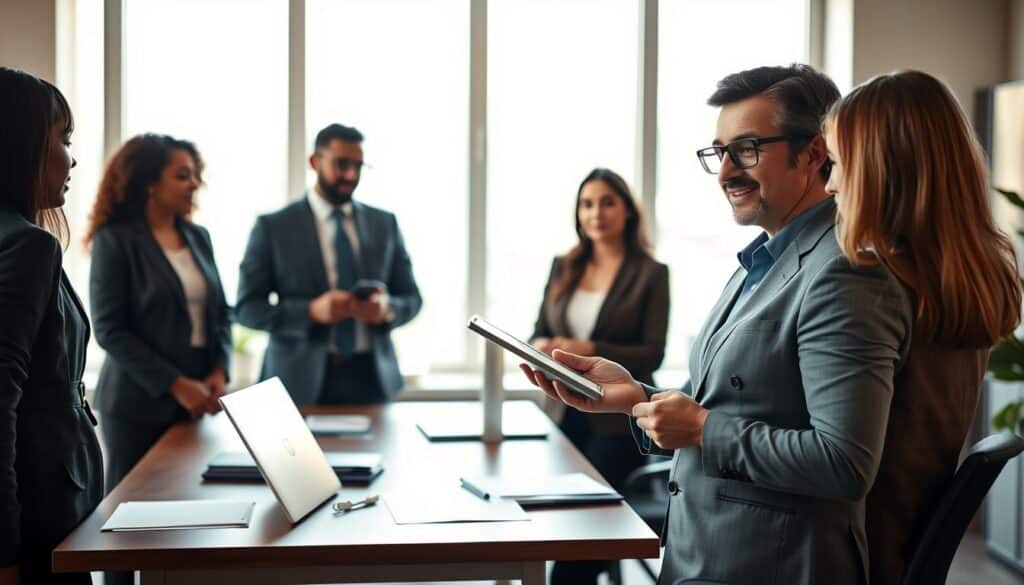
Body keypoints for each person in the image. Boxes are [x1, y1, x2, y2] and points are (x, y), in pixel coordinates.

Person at [522, 64, 912, 585]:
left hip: (768, 566)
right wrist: (633, 396)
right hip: (705, 555)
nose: (726, 171)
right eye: (719, 152)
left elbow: (844, 463)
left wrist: (705, 430)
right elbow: (725, 407)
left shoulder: (844, 274)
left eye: (747, 149)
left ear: (814, 153)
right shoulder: (758, 264)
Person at [824, 71, 1022, 585]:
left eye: (840, 164)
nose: (830, 183)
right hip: (898, 549)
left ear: (882, 170)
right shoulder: (969, 278)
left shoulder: (874, 286)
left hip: (852, 559)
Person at [85, 134, 232, 585]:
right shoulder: (116, 241)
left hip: (195, 406)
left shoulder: (198, 236)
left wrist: (219, 370)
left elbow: (221, 314)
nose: (194, 185)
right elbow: (110, 330)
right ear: (150, 182)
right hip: (135, 406)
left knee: (184, 523)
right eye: (182, 175)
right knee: (129, 531)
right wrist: (175, 383)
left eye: (196, 175)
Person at [529, 168, 668, 584]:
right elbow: (538, 327)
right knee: (561, 528)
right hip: (562, 417)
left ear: (627, 210)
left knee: (579, 553)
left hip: (615, 426)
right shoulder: (563, 267)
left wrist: (593, 350)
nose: (596, 213)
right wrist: (540, 346)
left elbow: (651, 353)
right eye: (587, 204)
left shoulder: (650, 273)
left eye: (607, 202)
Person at [0, 67, 103, 584]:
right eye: (63, 140)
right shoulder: (26, 245)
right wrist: (6, 557)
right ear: (20, 146)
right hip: (37, 528)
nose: (73, 157)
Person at [236, 123, 422, 405]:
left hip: (373, 381)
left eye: (358, 166)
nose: (351, 174)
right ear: (315, 161)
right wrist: (310, 312)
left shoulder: (384, 224)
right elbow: (247, 310)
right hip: (296, 383)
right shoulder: (273, 227)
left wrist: (386, 309)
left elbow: (412, 298)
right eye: (341, 164)